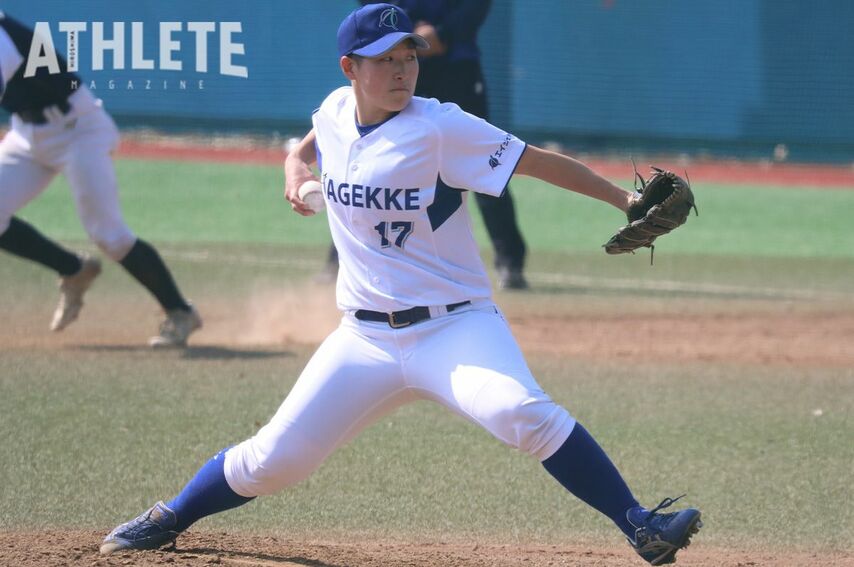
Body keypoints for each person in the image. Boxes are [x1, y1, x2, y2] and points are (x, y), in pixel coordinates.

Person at [100, 4, 701, 564]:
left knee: (523, 413)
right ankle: (170, 516)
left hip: (456, 328)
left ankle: (641, 525)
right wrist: (293, 165)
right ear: (350, 69)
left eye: (408, 56)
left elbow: (537, 161)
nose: (401, 69)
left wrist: (623, 199)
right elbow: (312, 137)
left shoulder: (440, 126)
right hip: (362, 342)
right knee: (273, 460)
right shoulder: (336, 111)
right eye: (385, 59)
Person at [0, 13, 201, 347]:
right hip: (27, 133)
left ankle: (181, 312)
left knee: (110, 236)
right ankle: (74, 268)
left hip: (78, 129)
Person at [321, 0, 529, 290]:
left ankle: (510, 262)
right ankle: (343, 260)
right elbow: (371, 10)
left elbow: (477, 6)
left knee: (489, 162)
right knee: (367, 162)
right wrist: (407, 28)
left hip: (455, 63)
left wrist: (443, 33)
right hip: (399, 54)